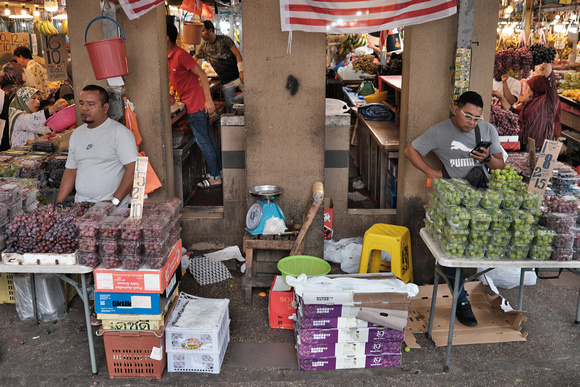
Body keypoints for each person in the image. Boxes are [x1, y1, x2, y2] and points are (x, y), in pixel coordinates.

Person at [404, 91, 505, 327]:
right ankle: (461, 301)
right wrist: (432, 173)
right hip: (453, 205)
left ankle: (466, 291)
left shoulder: (487, 131)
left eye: (477, 118)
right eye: (468, 116)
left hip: (481, 203)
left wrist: (487, 158)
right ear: (455, 109)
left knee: (475, 250)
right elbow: (411, 151)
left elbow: (500, 164)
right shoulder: (439, 132)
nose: (472, 122)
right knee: (451, 253)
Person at [55, 85, 138, 207]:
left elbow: (133, 169)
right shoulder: (77, 134)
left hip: (113, 211)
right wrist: (58, 203)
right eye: (81, 103)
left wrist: (114, 202)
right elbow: (71, 171)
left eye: (91, 104)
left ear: (105, 108)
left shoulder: (119, 133)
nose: (84, 108)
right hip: (82, 207)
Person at [167, 23, 222, 189]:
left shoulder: (180, 55)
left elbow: (203, 75)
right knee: (208, 139)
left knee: (204, 141)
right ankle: (218, 172)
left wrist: (208, 100)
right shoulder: (169, 57)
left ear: (166, 38)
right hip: (192, 102)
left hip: (196, 104)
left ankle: (215, 177)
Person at [194, 20, 244, 108]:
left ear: (210, 30)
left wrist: (241, 71)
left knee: (252, 94)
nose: (201, 34)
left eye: (203, 31)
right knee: (230, 104)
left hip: (238, 77)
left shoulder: (225, 40)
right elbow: (193, 60)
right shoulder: (204, 47)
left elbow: (238, 55)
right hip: (226, 82)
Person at [518, 62, 561, 150]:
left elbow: (550, 82)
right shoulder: (532, 101)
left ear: (536, 86)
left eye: (530, 86)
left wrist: (547, 61)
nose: (528, 88)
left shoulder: (548, 101)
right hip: (526, 144)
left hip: (541, 147)